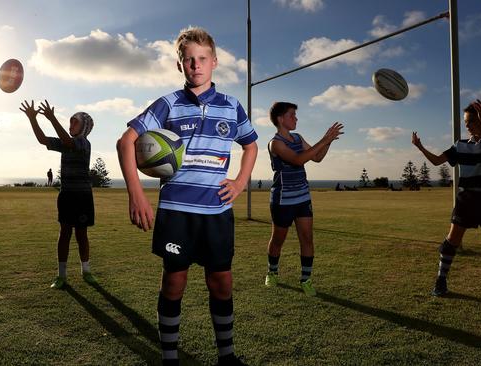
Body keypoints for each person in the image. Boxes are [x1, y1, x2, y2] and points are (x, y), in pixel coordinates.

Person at [116, 26, 257, 366]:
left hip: (216, 211)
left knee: (221, 283)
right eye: (189, 59)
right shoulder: (169, 104)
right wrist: (136, 193)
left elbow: (251, 145)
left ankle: (227, 357)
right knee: (174, 283)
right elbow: (126, 142)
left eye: (202, 59)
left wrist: (239, 182)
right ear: (180, 65)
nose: (196, 65)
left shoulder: (231, 106)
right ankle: (169, 359)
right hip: (177, 211)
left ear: (215, 62)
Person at [412, 98, 481, 296]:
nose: (466, 126)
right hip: (466, 200)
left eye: (470, 121)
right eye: (466, 122)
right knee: (452, 240)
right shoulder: (460, 146)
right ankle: (441, 281)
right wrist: (420, 146)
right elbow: (436, 162)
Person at [264, 102, 343, 295]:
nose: (296, 118)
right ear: (281, 119)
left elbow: (316, 158)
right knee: (277, 240)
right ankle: (272, 272)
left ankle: (306, 279)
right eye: (292, 115)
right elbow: (298, 160)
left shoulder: (298, 138)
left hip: (302, 197)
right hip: (283, 199)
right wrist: (324, 139)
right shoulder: (276, 143)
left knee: (307, 238)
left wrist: (329, 141)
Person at [20, 100, 96, 289]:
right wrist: (32, 119)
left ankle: (86, 271)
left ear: (84, 127)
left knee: (81, 235)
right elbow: (42, 139)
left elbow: (69, 141)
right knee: (64, 233)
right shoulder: (66, 143)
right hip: (67, 195)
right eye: (70, 122)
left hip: (83, 196)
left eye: (75, 122)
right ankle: (61, 275)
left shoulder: (83, 143)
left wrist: (52, 117)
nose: (71, 125)